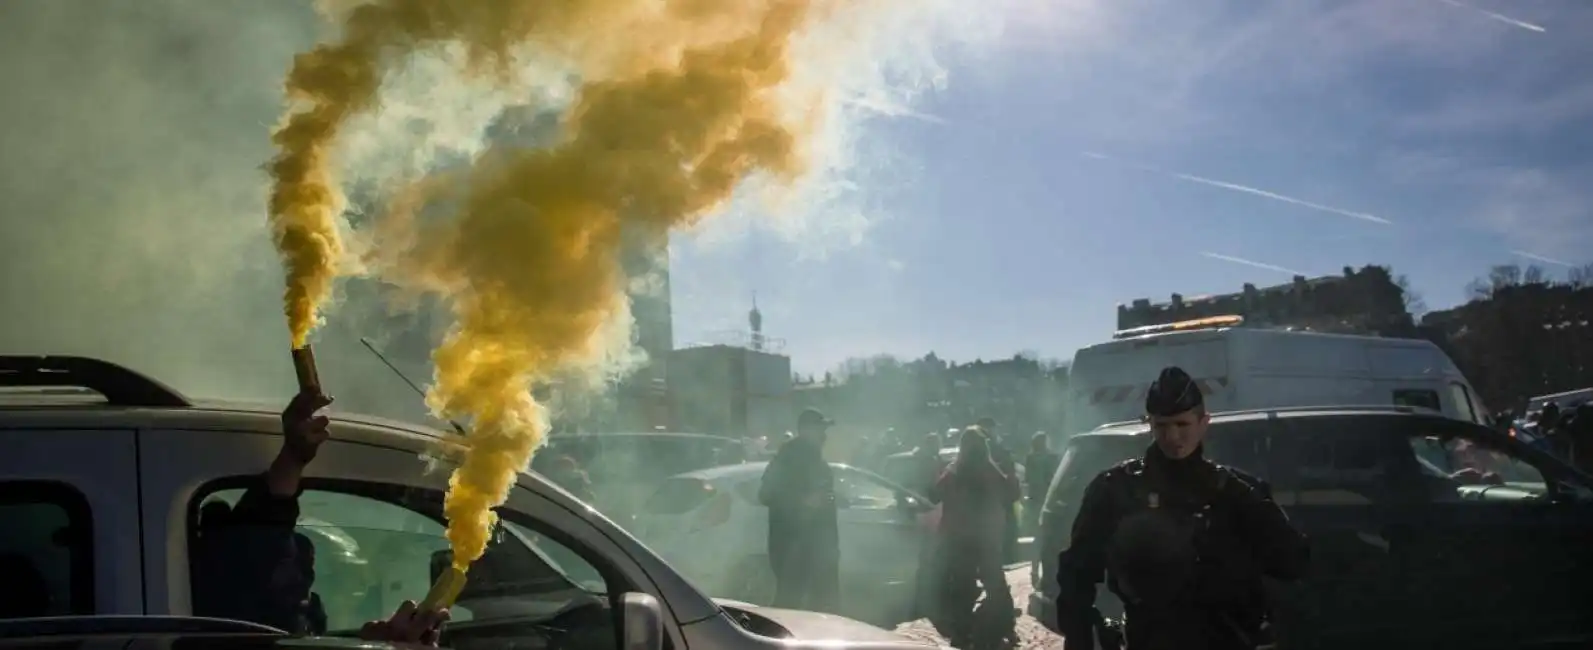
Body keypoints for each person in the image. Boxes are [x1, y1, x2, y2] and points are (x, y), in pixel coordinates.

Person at [1054, 367, 1309, 650]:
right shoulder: (1117, 489)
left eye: (1182, 425)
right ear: (1150, 425)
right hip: (1150, 636)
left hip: (1228, 635)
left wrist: (1242, 499)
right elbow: (1077, 569)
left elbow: (1292, 561)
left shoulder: (1234, 489)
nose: (1173, 437)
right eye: (1162, 426)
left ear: (1203, 422)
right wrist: (1080, 633)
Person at [193, 390, 450, 646]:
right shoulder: (248, 625)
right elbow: (262, 540)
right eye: (340, 574)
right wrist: (292, 458)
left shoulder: (309, 625)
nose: (359, 586)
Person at [929, 428, 1021, 649]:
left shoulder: (954, 471)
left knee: (962, 585)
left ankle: (962, 632)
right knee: (995, 582)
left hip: (960, 537)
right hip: (986, 537)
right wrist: (1011, 475)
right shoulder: (989, 470)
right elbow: (1011, 495)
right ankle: (1004, 624)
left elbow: (934, 494)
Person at [758, 408, 840, 612]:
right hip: (793, 551)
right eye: (821, 428)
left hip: (818, 551)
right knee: (790, 608)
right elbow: (765, 494)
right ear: (806, 430)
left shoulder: (816, 459)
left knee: (819, 609)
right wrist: (802, 501)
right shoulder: (787, 457)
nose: (825, 435)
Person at [977, 417, 1022, 563]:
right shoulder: (985, 449)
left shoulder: (997, 447)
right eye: (992, 428)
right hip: (993, 499)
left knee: (1007, 528)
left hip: (1000, 498)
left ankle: (1006, 556)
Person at [1024, 432, 1060, 534]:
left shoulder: (1030, 458)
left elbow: (1027, 477)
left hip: (1037, 491)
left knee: (1037, 516)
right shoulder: (1052, 457)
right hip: (1044, 491)